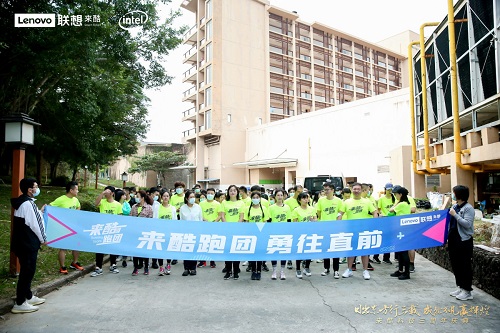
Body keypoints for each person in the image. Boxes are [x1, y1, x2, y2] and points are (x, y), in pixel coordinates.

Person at [11, 178, 47, 313]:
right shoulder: (28, 204)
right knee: (27, 272)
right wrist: (43, 239)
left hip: (23, 243)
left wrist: (41, 212)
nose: (37, 189)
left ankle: (28, 296)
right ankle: (20, 303)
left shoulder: (24, 202)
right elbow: (36, 224)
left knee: (28, 270)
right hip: (27, 244)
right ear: (29, 190)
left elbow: (33, 218)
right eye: (36, 186)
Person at [338, 182, 379, 280]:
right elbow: (340, 213)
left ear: (361, 190)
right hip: (351, 230)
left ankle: (365, 270)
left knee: (364, 251)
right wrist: (338, 223)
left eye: (358, 189)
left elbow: (375, 212)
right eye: (354, 189)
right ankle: (349, 269)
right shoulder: (347, 202)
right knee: (351, 251)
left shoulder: (367, 201)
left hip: (364, 230)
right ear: (352, 190)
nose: (356, 191)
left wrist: (374, 223)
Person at [448, 185, 475, 301]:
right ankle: (460, 287)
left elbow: (467, 224)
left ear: (459, 195)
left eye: (454, 193)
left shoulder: (469, 208)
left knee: (464, 265)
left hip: (464, 240)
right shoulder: (455, 206)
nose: (452, 195)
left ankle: (467, 290)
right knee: (456, 264)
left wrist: (455, 215)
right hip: (453, 239)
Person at [49, 181, 83, 274]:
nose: (78, 191)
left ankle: (75, 263)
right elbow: (50, 207)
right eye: (76, 189)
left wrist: (75, 214)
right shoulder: (61, 199)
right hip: (63, 227)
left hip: (74, 226)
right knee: (63, 247)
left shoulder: (75, 199)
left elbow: (78, 206)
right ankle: (62, 267)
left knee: (76, 245)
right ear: (71, 190)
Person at [91, 186, 121, 277]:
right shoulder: (102, 202)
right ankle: (98, 267)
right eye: (105, 191)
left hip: (113, 228)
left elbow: (119, 217)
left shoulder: (117, 205)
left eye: (108, 192)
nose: (106, 193)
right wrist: (102, 194)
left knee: (112, 247)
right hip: (102, 228)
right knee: (100, 248)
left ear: (112, 193)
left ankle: (113, 265)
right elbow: (96, 204)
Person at [317, 182, 344, 279]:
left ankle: (336, 270)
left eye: (327, 189)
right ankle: (326, 268)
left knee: (335, 249)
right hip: (324, 228)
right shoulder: (321, 200)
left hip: (335, 228)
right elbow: (319, 213)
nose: (326, 191)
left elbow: (340, 213)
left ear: (332, 190)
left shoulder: (339, 201)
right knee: (326, 249)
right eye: (324, 190)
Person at [240, 191, 270, 281]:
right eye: (254, 197)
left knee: (259, 253)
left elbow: (265, 221)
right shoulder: (247, 209)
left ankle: (259, 271)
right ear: (251, 198)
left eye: (257, 197)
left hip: (261, 234)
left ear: (260, 198)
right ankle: (253, 271)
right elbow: (246, 221)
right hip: (251, 234)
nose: (255, 199)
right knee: (253, 253)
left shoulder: (264, 208)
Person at [219, 185, 245, 280]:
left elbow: (241, 216)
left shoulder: (241, 203)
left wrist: (236, 226)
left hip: (237, 230)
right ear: (228, 192)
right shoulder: (224, 203)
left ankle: (236, 271)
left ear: (237, 192)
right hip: (227, 229)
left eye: (234, 190)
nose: (232, 192)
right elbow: (222, 215)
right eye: (231, 190)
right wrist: (228, 226)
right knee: (228, 251)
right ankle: (228, 270)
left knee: (236, 251)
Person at [292, 192, 317, 279]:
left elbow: (315, 220)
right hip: (300, 234)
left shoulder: (312, 209)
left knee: (309, 251)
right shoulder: (296, 210)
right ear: (299, 200)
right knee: (300, 251)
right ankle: (298, 269)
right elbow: (294, 223)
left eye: (307, 198)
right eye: (304, 198)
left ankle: (307, 267)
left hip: (310, 233)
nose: (306, 200)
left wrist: (312, 220)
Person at [388, 187, 412, 280]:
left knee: (403, 252)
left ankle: (406, 272)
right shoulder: (404, 203)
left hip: (403, 229)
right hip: (400, 229)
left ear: (400, 194)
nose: (395, 196)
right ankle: (400, 270)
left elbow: (391, 211)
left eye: (395, 194)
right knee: (400, 252)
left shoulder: (402, 204)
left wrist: (395, 204)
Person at [268, 189, 291, 279]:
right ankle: (274, 271)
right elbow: (269, 221)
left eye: (281, 195)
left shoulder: (287, 207)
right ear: (275, 197)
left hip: (284, 233)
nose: (280, 197)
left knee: (283, 252)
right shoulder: (271, 208)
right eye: (278, 195)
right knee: (274, 252)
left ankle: (282, 271)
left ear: (284, 196)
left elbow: (289, 220)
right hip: (274, 233)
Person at [179, 190, 203, 276]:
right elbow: (181, 220)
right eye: (191, 197)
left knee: (193, 250)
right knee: (186, 250)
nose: (193, 199)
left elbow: (200, 219)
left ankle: (193, 268)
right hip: (186, 232)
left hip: (196, 232)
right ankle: (186, 268)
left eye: (194, 197)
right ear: (186, 198)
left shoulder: (198, 207)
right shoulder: (183, 208)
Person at [130, 190, 154, 276]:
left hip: (145, 232)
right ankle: (135, 268)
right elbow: (130, 219)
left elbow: (150, 220)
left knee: (145, 251)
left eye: (138, 196)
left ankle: (146, 267)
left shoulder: (149, 208)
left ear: (142, 198)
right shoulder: (133, 207)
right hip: (135, 232)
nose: (136, 198)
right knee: (135, 251)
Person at [154, 189, 177, 275]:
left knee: (168, 250)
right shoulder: (157, 207)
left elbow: (175, 221)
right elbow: (155, 220)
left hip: (169, 233)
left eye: (167, 196)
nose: (166, 197)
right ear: (161, 197)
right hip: (160, 233)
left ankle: (168, 264)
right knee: (160, 250)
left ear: (169, 197)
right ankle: (161, 267)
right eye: (164, 196)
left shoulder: (172, 208)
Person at [373, 183, 395, 265]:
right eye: (388, 189)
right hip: (384, 219)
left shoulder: (394, 198)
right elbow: (378, 210)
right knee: (381, 239)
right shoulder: (381, 199)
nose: (390, 191)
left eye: (391, 190)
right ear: (385, 189)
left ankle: (386, 258)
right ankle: (376, 256)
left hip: (392, 220)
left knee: (388, 240)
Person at [199, 187, 221, 268]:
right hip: (204, 225)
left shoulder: (218, 204)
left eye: (212, 193)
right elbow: (200, 215)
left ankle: (212, 261)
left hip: (214, 226)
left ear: (214, 194)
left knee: (213, 244)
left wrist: (215, 222)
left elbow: (219, 215)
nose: (210, 195)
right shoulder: (201, 204)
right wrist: (205, 220)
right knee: (203, 243)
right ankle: (202, 261)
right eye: (208, 193)